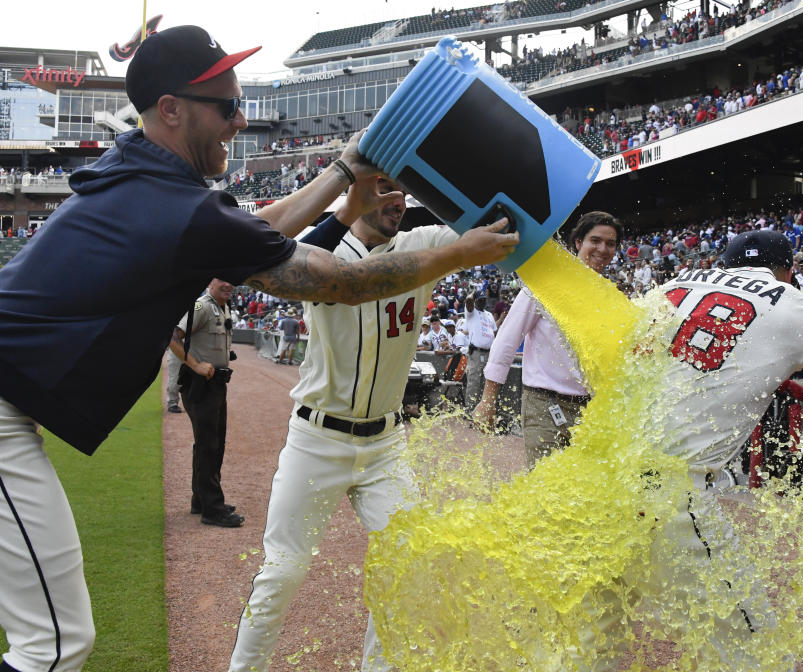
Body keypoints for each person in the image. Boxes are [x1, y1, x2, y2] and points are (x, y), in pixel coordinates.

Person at [0, 26, 517, 672]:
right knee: (54, 643)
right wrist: (460, 253)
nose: (240, 120)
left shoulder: (143, 171)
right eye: (225, 106)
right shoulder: (176, 207)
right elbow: (340, 282)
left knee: (52, 636)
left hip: (9, 402)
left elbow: (249, 232)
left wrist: (340, 172)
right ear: (171, 110)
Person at [576, 230, 803, 671]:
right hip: (668, 488)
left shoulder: (669, 285)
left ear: (723, 265)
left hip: (598, 472)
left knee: (594, 631)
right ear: (788, 271)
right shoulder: (798, 307)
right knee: (756, 649)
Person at [229, 175, 473, 672]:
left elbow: (487, 231)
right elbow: (264, 256)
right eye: (386, 188)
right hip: (317, 437)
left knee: (406, 569)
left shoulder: (421, 245)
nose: (398, 201)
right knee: (283, 573)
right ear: (359, 189)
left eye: (403, 192)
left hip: (386, 444)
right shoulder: (320, 249)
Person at [473, 211, 621, 467]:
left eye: (610, 244)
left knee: (583, 493)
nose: (602, 249)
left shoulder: (611, 297)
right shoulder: (544, 284)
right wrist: (487, 401)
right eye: (595, 241)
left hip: (592, 411)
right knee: (544, 493)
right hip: (544, 405)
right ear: (578, 243)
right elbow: (506, 343)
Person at [169, 278, 242, 527]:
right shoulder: (201, 307)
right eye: (222, 279)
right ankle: (212, 509)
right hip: (200, 384)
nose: (228, 284)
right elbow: (172, 336)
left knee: (212, 442)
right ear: (211, 281)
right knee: (208, 445)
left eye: (232, 281)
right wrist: (196, 364)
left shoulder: (223, 307)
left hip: (216, 384)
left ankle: (201, 499)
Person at [462, 291, 498, 410]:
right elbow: (468, 302)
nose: (483, 301)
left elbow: (493, 331)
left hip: (489, 353)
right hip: (476, 353)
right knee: (474, 382)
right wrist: (471, 294)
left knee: (487, 382)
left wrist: (501, 319)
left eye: (484, 299)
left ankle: (483, 410)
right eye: (480, 299)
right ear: (476, 300)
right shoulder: (472, 313)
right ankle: (470, 409)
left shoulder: (489, 315)